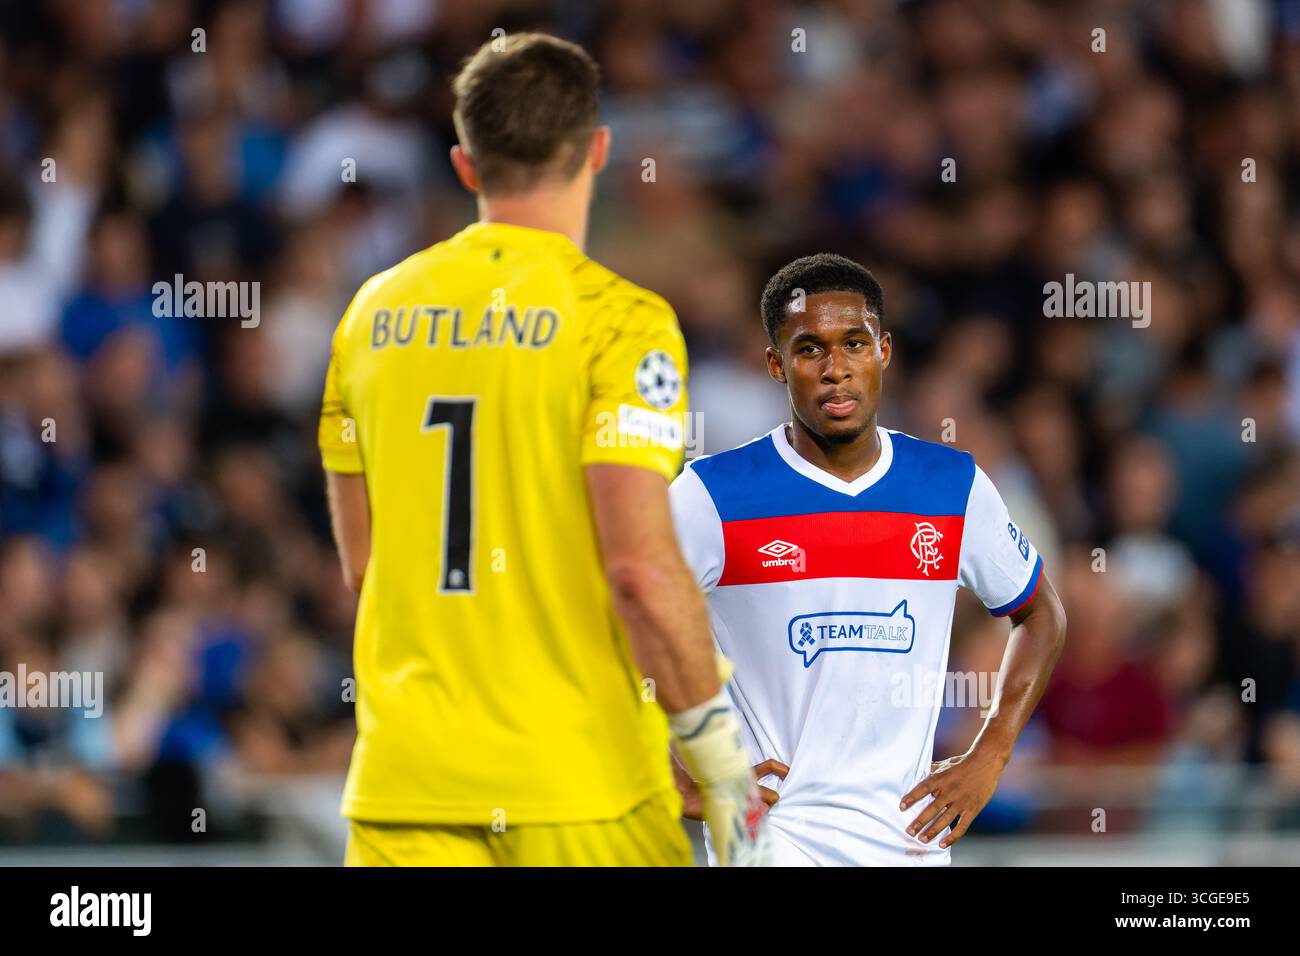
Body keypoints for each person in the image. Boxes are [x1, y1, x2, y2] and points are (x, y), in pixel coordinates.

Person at [319, 33, 767, 866]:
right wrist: (713, 748)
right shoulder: (621, 322)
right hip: (580, 784)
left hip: (405, 787)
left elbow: (364, 565)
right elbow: (639, 567)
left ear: (464, 165)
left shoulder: (370, 314)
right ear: (598, 151)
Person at [669, 253, 1067, 865]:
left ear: (884, 350)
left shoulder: (951, 486)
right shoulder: (712, 494)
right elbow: (615, 616)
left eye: (853, 344)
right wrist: (669, 761)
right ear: (776, 364)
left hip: (912, 841)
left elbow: (1041, 615)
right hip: (774, 837)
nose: (836, 370)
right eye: (810, 350)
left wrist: (992, 753)